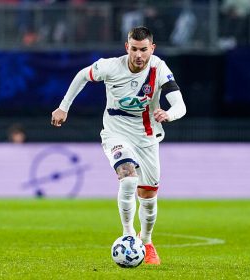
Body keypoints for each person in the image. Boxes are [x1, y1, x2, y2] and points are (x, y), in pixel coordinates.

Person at [51, 26, 186, 265]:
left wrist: (169, 114)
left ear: (151, 49)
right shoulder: (111, 66)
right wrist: (64, 107)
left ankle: (146, 241)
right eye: (134, 49)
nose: (138, 55)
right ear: (127, 47)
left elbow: (180, 105)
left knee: (148, 197)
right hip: (115, 134)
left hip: (146, 138)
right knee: (128, 178)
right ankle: (127, 235)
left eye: (144, 50)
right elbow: (82, 75)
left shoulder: (159, 68)